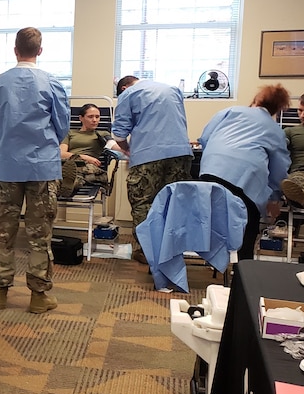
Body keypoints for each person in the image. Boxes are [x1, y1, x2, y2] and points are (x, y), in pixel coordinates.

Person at [0, 27, 69, 313]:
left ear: (15, 49)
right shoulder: (52, 83)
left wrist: (7, 146)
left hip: (6, 166)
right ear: (40, 51)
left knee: (3, 233)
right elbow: (62, 127)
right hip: (42, 168)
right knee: (39, 234)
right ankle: (38, 296)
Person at [197, 85, 291, 261]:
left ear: (256, 99)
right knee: (249, 224)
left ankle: (215, 258)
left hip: (210, 171)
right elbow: (280, 168)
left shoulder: (230, 111)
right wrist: (275, 197)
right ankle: (243, 267)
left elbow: (205, 138)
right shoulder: (275, 130)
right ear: (278, 109)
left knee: (213, 217)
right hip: (244, 181)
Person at [111, 76, 193, 264]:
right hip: (181, 153)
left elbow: (119, 133)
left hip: (148, 156)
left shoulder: (128, 94)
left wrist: (127, 149)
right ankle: (173, 249)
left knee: (143, 201)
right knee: (174, 202)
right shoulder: (173, 89)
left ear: (123, 87)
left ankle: (147, 251)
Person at [58, 103, 114, 198]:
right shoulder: (70, 133)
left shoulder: (102, 134)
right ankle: (66, 184)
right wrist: (84, 157)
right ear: (81, 118)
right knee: (62, 173)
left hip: (88, 166)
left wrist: (127, 152)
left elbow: (113, 145)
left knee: (81, 172)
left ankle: (67, 185)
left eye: (97, 117)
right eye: (90, 117)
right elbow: (61, 153)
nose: (95, 120)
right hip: (69, 163)